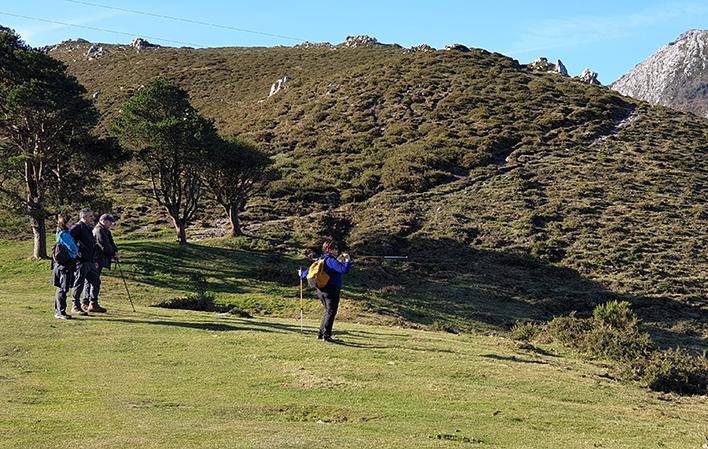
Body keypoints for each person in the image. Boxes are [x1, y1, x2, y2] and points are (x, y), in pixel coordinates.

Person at [300, 239, 352, 342]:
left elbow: (307, 272)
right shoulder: (331, 260)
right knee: (331, 312)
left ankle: (321, 334)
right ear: (329, 250)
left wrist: (301, 274)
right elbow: (343, 270)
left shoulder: (320, 259)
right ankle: (326, 336)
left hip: (321, 290)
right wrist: (347, 260)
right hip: (331, 290)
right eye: (335, 248)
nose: (337, 250)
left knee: (327, 311)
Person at [70, 208, 105, 314]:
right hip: (81, 261)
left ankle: (93, 304)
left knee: (96, 282)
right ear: (84, 217)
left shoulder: (88, 228)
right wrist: (76, 253)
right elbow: (68, 238)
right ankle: (75, 306)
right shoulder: (77, 227)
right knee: (79, 283)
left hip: (90, 261)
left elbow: (91, 245)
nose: (92, 218)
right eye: (90, 216)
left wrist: (94, 259)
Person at [86, 214, 120, 305]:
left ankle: (90, 301)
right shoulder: (99, 230)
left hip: (100, 258)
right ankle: (90, 302)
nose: (111, 224)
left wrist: (115, 251)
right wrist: (113, 253)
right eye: (110, 221)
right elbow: (104, 245)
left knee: (93, 280)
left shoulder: (106, 231)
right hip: (96, 259)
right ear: (104, 221)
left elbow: (111, 243)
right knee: (93, 280)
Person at [52, 213, 79, 319]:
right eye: (70, 222)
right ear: (64, 223)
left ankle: (59, 310)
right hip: (65, 265)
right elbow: (72, 247)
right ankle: (60, 311)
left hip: (66, 264)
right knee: (63, 288)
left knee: (63, 288)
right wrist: (76, 250)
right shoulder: (64, 234)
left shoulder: (63, 233)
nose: (72, 224)